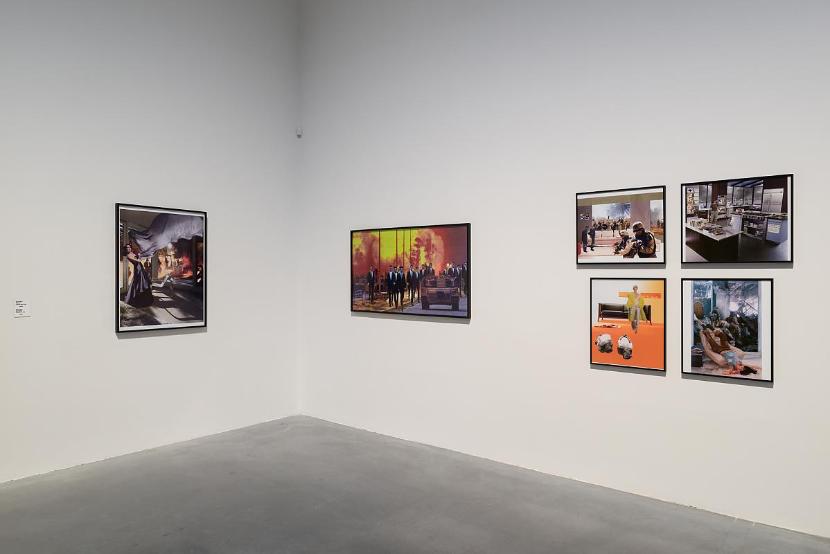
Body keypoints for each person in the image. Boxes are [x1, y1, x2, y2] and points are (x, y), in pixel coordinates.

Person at [123, 243, 154, 308]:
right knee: (139, 284)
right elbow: (137, 261)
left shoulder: (132, 253)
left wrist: (140, 255)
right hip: (138, 270)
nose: (128, 248)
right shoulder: (128, 255)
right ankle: (137, 300)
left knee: (144, 283)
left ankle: (146, 300)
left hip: (140, 268)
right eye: (127, 248)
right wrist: (140, 257)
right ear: (126, 249)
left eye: (129, 247)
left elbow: (139, 257)